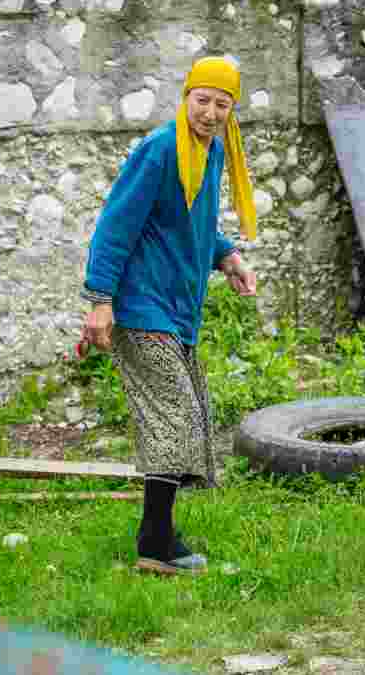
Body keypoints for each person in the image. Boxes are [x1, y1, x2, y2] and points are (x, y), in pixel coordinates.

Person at [80, 56, 258, 575]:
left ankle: (157, 535)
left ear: (230, 112)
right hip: (140, 304)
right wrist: (99, 300)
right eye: (201, 100)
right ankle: (156, 543)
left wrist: (227, 256)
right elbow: (116, 224)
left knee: (188, 415)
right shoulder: (161, 149)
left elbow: (194, 218)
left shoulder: (213, 151)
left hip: (177, 306)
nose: (209, 111)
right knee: (174, 416)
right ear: (186, 98)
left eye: (221, 104)